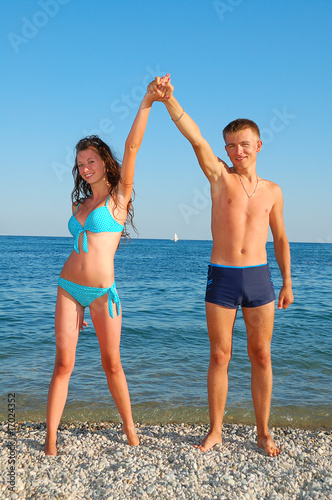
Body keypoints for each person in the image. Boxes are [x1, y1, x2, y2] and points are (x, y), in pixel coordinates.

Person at [148, 76, 294, 456]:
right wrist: (168, 102)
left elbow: (280, 239)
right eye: (230, 145)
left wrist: (287, 282)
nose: (236, 151)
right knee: (219, 355)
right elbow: (195, 137)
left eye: (243, 144)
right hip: (223, 277)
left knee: (261, 355)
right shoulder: (218, 177)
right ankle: (216, 431)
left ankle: (263, 432)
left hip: (260, 278)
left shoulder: (273, 191)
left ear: (258, 145)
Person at [44, 80, 168, 456]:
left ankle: (130, 430)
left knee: (112, 365)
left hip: (102, 293)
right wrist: (75, 306)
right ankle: (50, 440)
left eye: (91, 161)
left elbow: (133, 146)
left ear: (104, 161)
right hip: (68, 288)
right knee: (63, 364)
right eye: (80, 164)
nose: (84, 168)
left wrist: (147, 100)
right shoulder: (79, 205)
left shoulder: (118, 198)